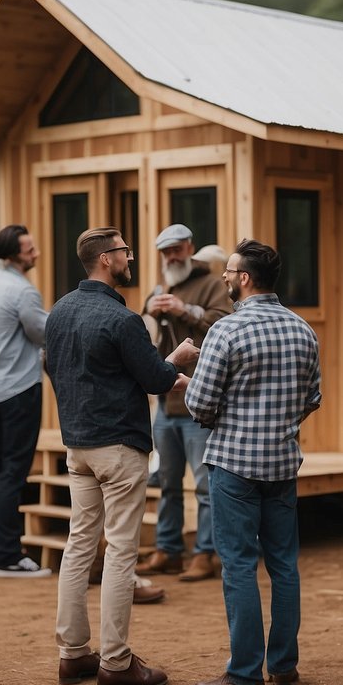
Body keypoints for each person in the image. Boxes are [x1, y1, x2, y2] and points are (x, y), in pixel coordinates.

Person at [44, 226, 199, 685]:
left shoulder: (59, 311)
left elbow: (58, 369)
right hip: (119, 448)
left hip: (77, 446)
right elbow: (155, 380)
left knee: (78, 546)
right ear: (106, 260)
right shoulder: (123, 318)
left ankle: (73, 655)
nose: (130, 259)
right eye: (125, 253)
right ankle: (115, 662)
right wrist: (180, 357)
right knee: (120, 553)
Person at [186, 239, 321, 685]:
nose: (223, 277)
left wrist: (206, 396)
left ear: (244, 278)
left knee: (239, 566)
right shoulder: (303, 329)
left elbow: (200, 403)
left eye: (228, 271)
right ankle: (283, 666)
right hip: (282, 464)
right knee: (284, 566)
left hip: (235, 465)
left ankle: (244, 676)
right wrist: (276, 425)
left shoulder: (226, 331)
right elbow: (311, 398)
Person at [137, 224, 231, 582]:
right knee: (167, 483)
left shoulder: (211, 283)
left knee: (205, 485)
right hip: (166, 401)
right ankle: (168, 550)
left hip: (199, 400)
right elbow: (148, 322)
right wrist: (153, 306)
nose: (171, 257)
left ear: (190, 247)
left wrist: (184, 309)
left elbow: (222, 322)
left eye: (176, 250)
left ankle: (205, 554)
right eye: (165, 252)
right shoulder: (164, 284)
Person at [0, 225, 52, 578]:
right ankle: (8, 555)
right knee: (13, 471)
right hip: (18, 388)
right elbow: (43, 332)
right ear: (13, 253)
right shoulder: (23, 291)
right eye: (29, 249)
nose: (35, 253)